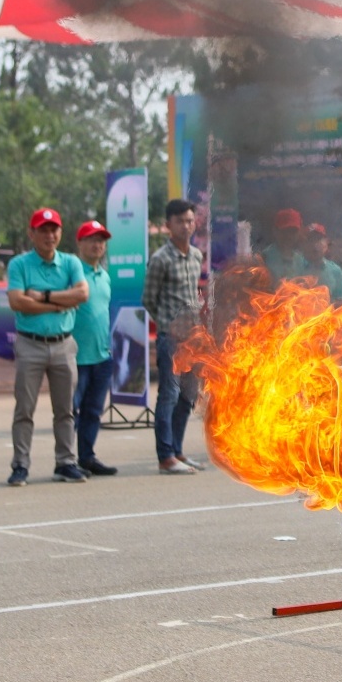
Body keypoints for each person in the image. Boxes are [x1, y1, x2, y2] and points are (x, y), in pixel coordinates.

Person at [5, 207, 89, 486]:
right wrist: (58, 305)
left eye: (53, 230)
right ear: (32, 233)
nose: (49, 235)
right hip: (30, 344)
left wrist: (42, 297)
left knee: (65, 409)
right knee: (25, 409)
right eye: (42, 230)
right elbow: (17, 302)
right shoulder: (19, 264)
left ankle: (65, 462)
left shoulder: (71, 263)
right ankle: (20, 465)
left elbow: (82, 294)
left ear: (60, 233)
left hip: (64, 343)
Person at [144, 199, 207, 475]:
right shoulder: (160, 259)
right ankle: (165, 456)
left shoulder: (196, 256)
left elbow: (194, 295)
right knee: (168, 393)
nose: (186, 225)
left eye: (190, 220)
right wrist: (169, 325)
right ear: (168, 225)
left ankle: (179, 451)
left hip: (194, 339)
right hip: (171, 338)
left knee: (188, 396)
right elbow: (148, 299)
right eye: (180, 221)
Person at [71, 220, 118, 477]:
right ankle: (66, 460)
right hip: (76, 356)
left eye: (101, 240)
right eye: (91, 239)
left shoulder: (104, 276)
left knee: (93, 411)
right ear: (80, 243)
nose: (97, 244)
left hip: (102, 355)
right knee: (70, 412)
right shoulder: (72, 274)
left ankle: (87, 457)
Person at [298, 223, 342, 303]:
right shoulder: (296, 267)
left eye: (318, 239)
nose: (315, 244)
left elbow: (339, 301)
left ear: (326, 243)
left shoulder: (335, 271)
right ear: (303, 244)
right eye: (310, 240)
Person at [262, 209, 306, 283]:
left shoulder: (301, 260)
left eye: (293, 231)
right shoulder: (264, 258)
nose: (289, 236)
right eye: (285, 231)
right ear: (275, 231)